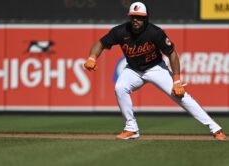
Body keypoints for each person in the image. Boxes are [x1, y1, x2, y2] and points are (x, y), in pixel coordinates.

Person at [84, 1, 226, 140]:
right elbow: (101, 43)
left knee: (181, 96)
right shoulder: (121, 31)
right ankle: (131, 128)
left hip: (156, 68)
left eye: (139, 17)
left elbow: (172, 53)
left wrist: (177, 80)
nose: (135, 20)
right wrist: (92, 57)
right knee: (120, 87)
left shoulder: (155, 32)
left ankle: (215, 128)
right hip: (133, 70)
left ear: (146, 18)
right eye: (133, 16)